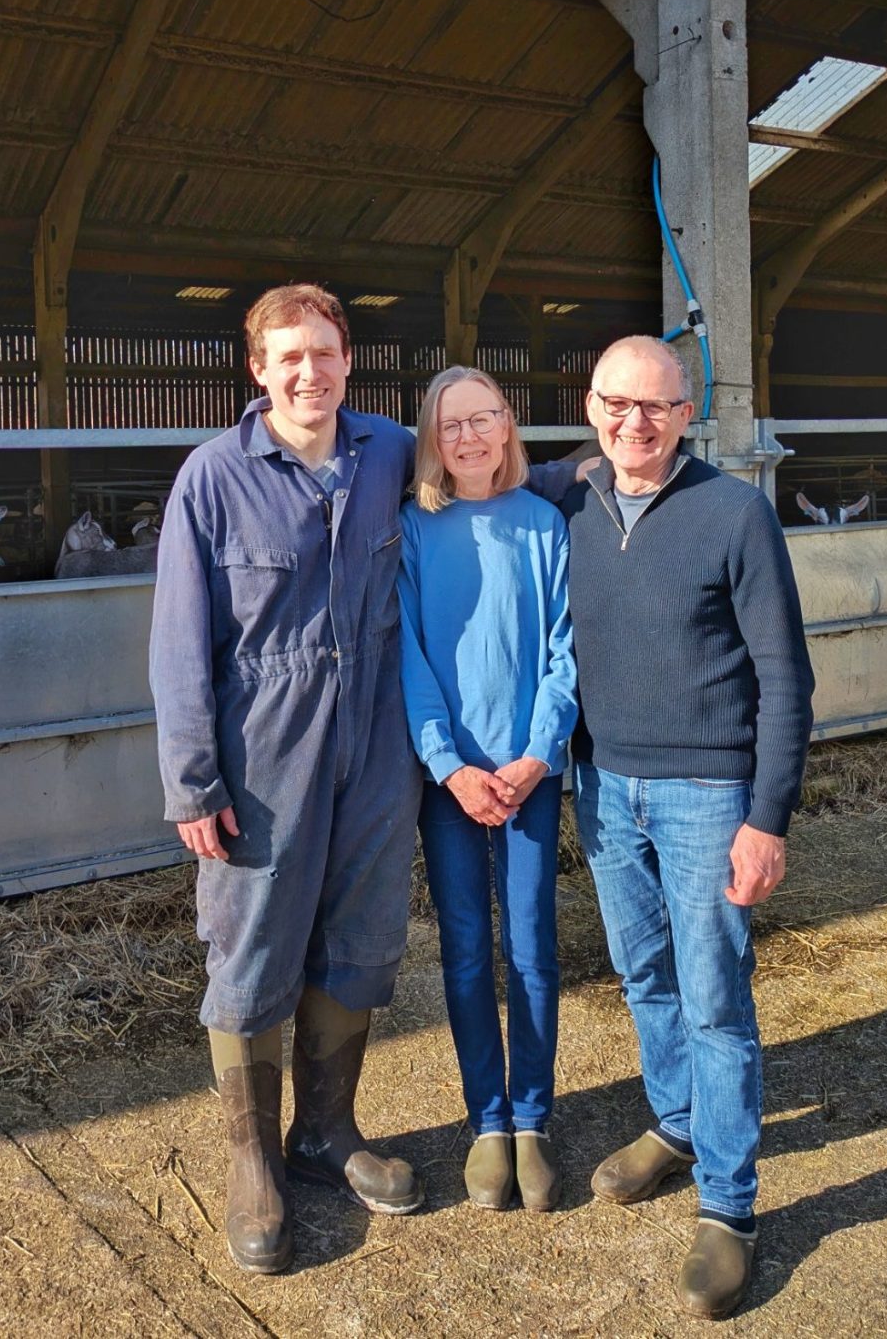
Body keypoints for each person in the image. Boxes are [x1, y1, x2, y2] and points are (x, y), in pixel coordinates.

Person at [149, 284, 425, 1275]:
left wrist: (613, 460)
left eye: (325, 351)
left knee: (358, 938)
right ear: (258, 370)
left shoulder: (390, 450)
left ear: (350, 357)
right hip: (263, 757)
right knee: (252, 950)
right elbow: (180, 641)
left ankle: (328, 1130)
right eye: (288, 356)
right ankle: (254, 1161)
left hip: (377, 748)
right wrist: (192, 780)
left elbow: (490, 474)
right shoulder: (214, 479)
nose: (310, 371)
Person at [559, 336, 815, 1318]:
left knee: (713, 993)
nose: (636, 423)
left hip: (708, 792)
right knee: (641, 971)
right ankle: (674, 1123)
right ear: (590, 406)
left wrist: (767, 817)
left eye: (658, 407)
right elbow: (476, 469)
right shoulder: (570, 499)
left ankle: (730, 1203)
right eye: (617, 403)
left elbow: (786, 676)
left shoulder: (734, 512)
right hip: (604, 784)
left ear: (687, 411)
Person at [397, 367, 577, 1213]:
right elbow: (410, 659)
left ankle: (535, 1116)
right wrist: (449, 764)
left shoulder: (545, 526)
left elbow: (564, 652)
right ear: (432, 438)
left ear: (509, 428)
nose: (469, 437)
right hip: (452, 783)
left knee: (532, 945)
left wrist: (539, 753)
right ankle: (488, 1119)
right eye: (451, 424)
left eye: (485, 420)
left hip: (529, 777)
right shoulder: (413, 531)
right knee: (467, 949)